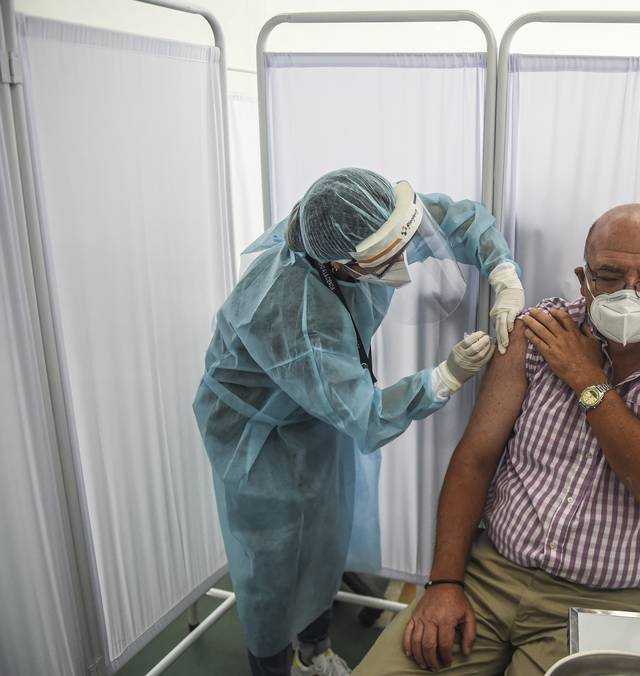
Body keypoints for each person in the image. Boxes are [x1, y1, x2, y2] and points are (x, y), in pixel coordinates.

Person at [353, 203, 640, 675]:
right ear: (584, 279)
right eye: (609, 274)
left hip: (614, 605)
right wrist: (443, 583)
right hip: (491, 576)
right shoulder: (537, 332)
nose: (630, 293)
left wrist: (585, 377)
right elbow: (475, 459)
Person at [193, 168, 525, 676]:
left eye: (401, 245)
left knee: (327, 535)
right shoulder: (292, 309)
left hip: (316, 410)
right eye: (384, 260)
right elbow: (365, 416)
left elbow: (453, 220)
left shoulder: (366, 223)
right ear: (341, 265)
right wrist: (442, 378)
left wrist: (502, 270)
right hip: (256, 435)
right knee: (273, 563)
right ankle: (271, 665)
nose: (402, 262)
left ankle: (315, 644)